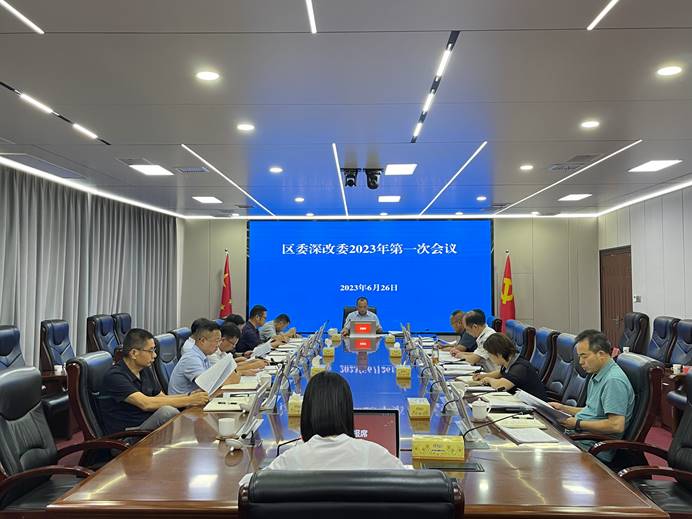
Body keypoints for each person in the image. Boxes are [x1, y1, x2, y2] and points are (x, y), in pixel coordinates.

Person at [238, 372, 405, 486]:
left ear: (308, 412)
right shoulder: (372, 453)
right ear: (347, 411)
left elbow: (249, 485)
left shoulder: (293, 458)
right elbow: (411, 484)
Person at [100, 328, 209, 435]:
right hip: (129, 433)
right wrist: (190, 400)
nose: (155, 355)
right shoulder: (115, 376)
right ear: (133, 353)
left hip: (148, 423)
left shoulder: (144, 369)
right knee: (168, 412)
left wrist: (189, 395)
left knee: (177, 413)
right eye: (150, 350)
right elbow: (145, 403)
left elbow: (161, 398)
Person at [549, 330, 634, 462]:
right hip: (579, 437)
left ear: (601, 354)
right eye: (579, 357)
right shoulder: (597, 374)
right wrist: (562, 408)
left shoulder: (613, 381)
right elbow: (593, 411)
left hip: (591, 446)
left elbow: (616, 425)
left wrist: (577, 424)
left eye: (584, 356)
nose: (580, 362)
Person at [168, 319, 240, 395]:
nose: (219, 344)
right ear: (202, 341)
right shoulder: (191, 358)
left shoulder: (203, 355)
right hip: (184, 401)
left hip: (197, 398)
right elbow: (206, 385)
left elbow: (214, 378)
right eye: (217, 341)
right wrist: (229, 380)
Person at [473, 333, 547, 399]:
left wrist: (488, 379)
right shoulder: (510, 360)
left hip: (534, 407)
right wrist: (484, 376)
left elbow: (501, 386)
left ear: (498, 354)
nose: (490, 357)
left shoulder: (519, 367)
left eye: (490, 354)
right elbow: (501, 373)